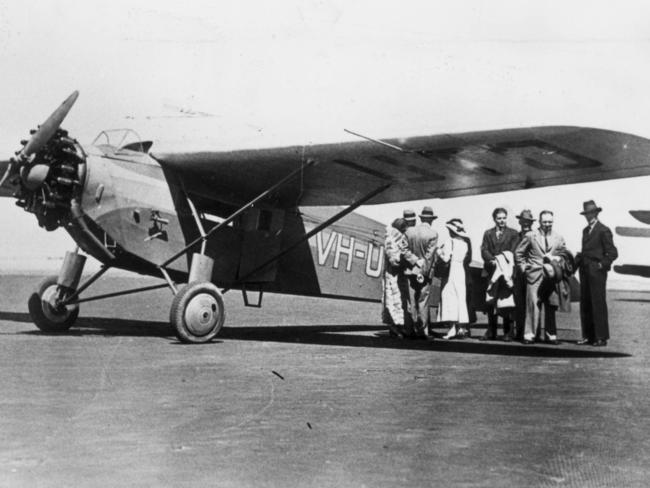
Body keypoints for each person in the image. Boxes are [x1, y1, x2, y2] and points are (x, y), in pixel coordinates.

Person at [514, 210, 567, 344]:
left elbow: (564, 254)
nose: (547, 224)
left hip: (551, 276)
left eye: (550, 222)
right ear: (540, 222)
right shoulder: (531, 236)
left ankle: (551, 335)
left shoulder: (558, 237)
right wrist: (524, 268)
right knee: (533, 305)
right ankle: (529, 335)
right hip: (534, 275)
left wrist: (557, 259)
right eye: (545, 222)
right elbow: (519, 253)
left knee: (551, 305)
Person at [575, 200, 618, 347]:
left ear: (596, 213)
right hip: (585, 271)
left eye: (591, 213)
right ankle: (588, 336)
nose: (589, 216)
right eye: (587, 214)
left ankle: (601, 337)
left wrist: (601, 265)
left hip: (597, 272)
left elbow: (612, 252)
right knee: (585, 303)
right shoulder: (585, 231)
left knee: (598, 304)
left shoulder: (603, 230)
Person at [480, 207, 519, 341]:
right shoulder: (488, 233)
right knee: (491, 300)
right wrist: (491, 260)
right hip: (492, 271)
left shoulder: (513, 233)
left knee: (506, 301)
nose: (502, 221)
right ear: (494, 219)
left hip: (506, 272)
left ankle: (508, 331)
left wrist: (501, 261)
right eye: (499, 218)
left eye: (504, 218)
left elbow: (513, 251)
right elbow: (484, 249)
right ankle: (491, 331)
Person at [381, 218, 420, 338]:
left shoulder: (395, 238)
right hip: (392, 275)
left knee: (399, 301)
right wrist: (405, 261)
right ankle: (394, 327)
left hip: (397, 275)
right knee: (393, 300)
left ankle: (398, 326)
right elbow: (394, 261)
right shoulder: (391, 239)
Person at [403, 206, 439, 338]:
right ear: (431, 220)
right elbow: (429, 257)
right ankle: (422, 332)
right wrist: (422, 272)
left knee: (410, 301)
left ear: (421, 218)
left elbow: (404, 250)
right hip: (424, 273)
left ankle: (409, 330)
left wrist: (414, 262)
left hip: (409, 271)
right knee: (423, 301)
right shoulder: (433, 234)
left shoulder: (409, 232)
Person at [437, 219, 472, 339]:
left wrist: (439, 252)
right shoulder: (465, 243)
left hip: (450, 272)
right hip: (460, 271)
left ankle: (452, 329)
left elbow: (446, 258)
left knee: (449, 298)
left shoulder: (449, 241)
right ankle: (461, 327)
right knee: (460, 299)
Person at [513, 209, 536, 339]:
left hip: (532, 273)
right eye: (524, 221)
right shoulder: (516, 236)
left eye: (528, 222)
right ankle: (520, 331)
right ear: (520, 221)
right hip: (519, 274)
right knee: (519, 303)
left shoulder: (535, 235)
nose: (526, 224)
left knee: (532, 303)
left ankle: (533, 332)